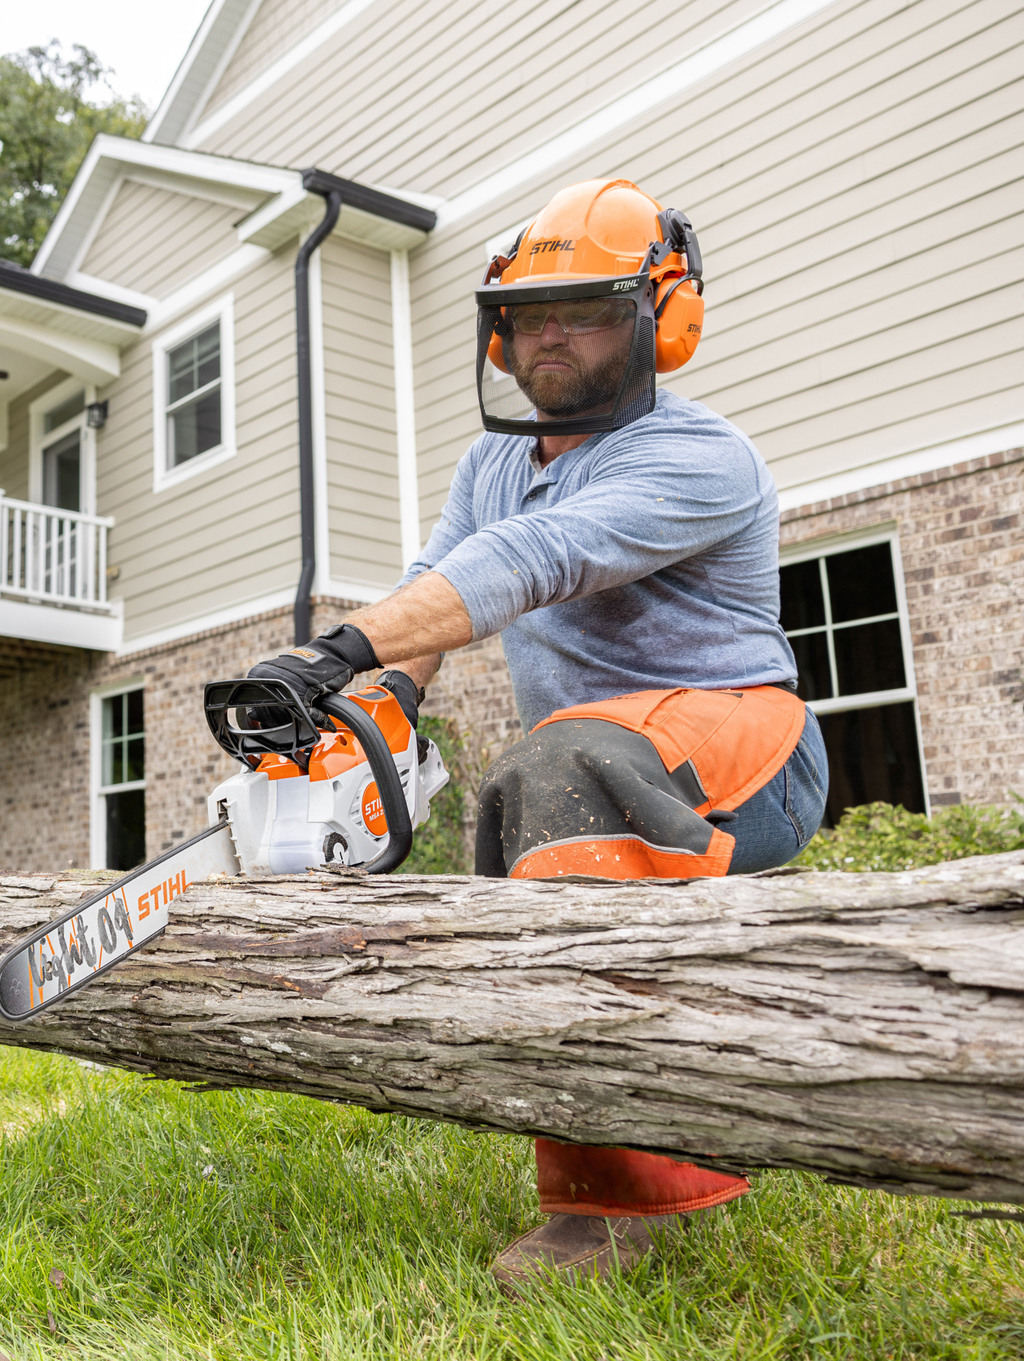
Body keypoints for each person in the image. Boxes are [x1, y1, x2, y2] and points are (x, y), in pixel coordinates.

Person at [247, 178, 828, 1290]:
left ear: (663, 321)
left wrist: (338, 645)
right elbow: (437, 593)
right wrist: (353, 717)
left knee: (556, 768)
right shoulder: (493, 464)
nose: (546, 333)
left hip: (754, 752)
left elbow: (531, 562)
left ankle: (621, 1202)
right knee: (552, 767)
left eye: (586, 310)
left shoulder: (701, 455)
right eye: (526, 314)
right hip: (593, 753)